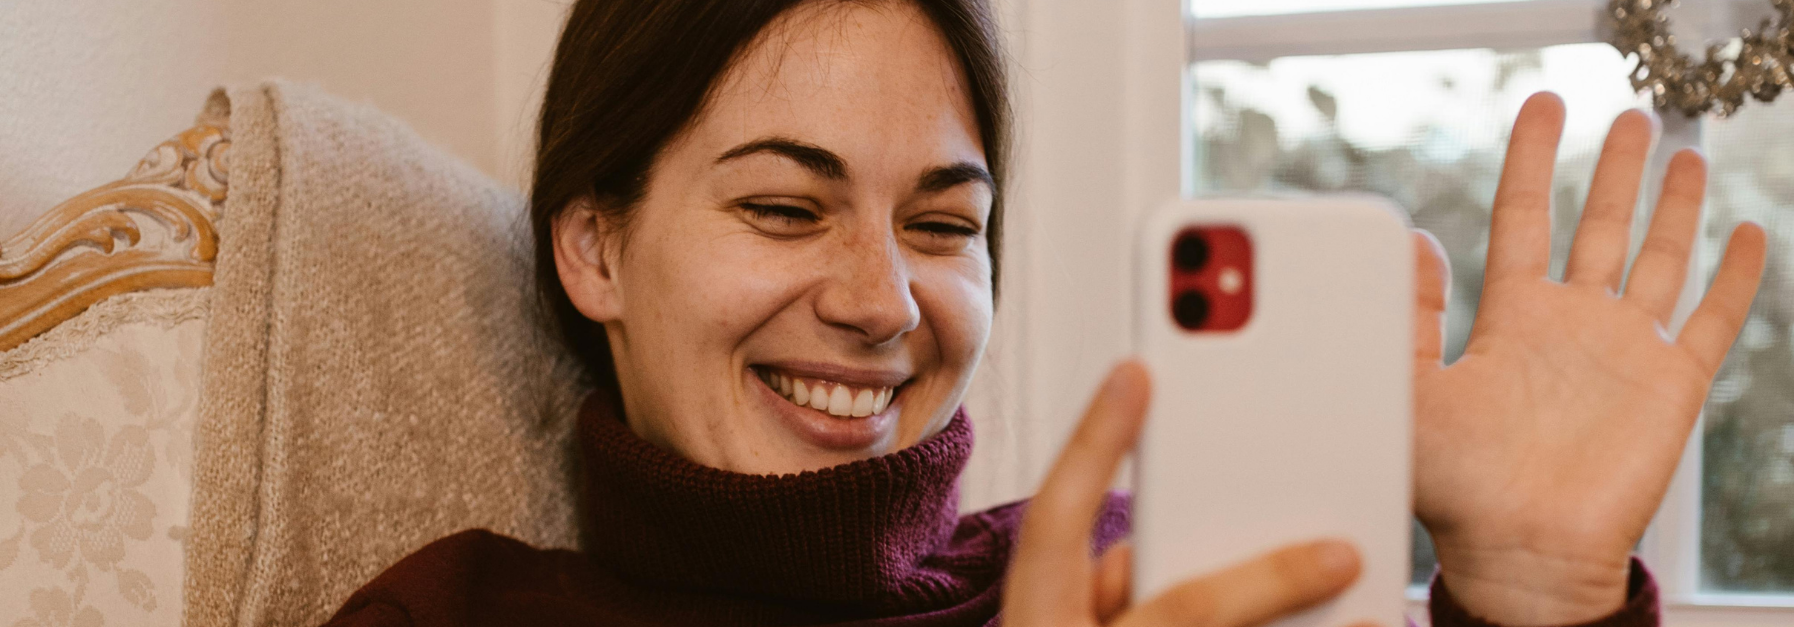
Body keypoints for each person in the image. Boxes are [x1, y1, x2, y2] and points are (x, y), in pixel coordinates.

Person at [322, 0, 1769, 625]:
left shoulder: (1160, 584)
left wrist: (1530, 603)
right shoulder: (445, 614)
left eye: (945, 224)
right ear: (592, 246)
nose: (882, 299)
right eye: (782, 205)